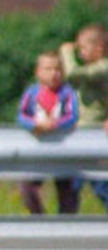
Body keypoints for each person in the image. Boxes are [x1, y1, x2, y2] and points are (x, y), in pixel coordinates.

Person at [17, 50, 81, 215]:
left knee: (67, 191)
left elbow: (72, 116)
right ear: (37, 72)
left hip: (64, 151)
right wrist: (34, 124)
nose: (54, 74)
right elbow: (21, 115)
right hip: (38, 151)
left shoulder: (67, 93)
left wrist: (54, 125)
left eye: (57, 69)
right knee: (26, 186)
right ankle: (39, 217)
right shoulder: (31, 93)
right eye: (48, 69)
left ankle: (66, 225)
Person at [59, 24, 108, 209]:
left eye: (82, 48)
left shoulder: (102, 68)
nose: (79, 53)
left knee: (101, 185)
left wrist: (66, 53)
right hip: (81, 135)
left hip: (94, 135)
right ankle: (66, 225)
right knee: (71, 186)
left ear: (99, 48)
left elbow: (72, 74)